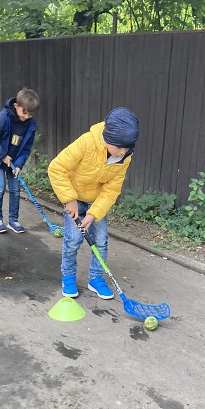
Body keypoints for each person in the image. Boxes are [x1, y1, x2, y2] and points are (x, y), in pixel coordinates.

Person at [48, 107, 139, 299]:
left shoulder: (125, 156)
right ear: (107, 140)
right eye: (120, 147)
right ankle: (68, 275)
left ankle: (96, 278)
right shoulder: (87, 143)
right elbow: (56, 168)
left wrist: (93, 214)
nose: (123, 152)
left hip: (96, 202)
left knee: (101, 241)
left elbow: (112, 189)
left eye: (127, 148)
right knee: (73, 240)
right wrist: (69, 199)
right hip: (74, 199)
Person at [0, 87, 39, 233]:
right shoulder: (3, 117)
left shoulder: (30, 126)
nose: (26, 116)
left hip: (13, 162)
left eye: (30, 114)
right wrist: (2, 156)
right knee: (0, 188)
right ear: (16, 106)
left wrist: (19, 164)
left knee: (15, 190)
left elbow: (26, 148)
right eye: (24, 112)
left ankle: (13, 220)